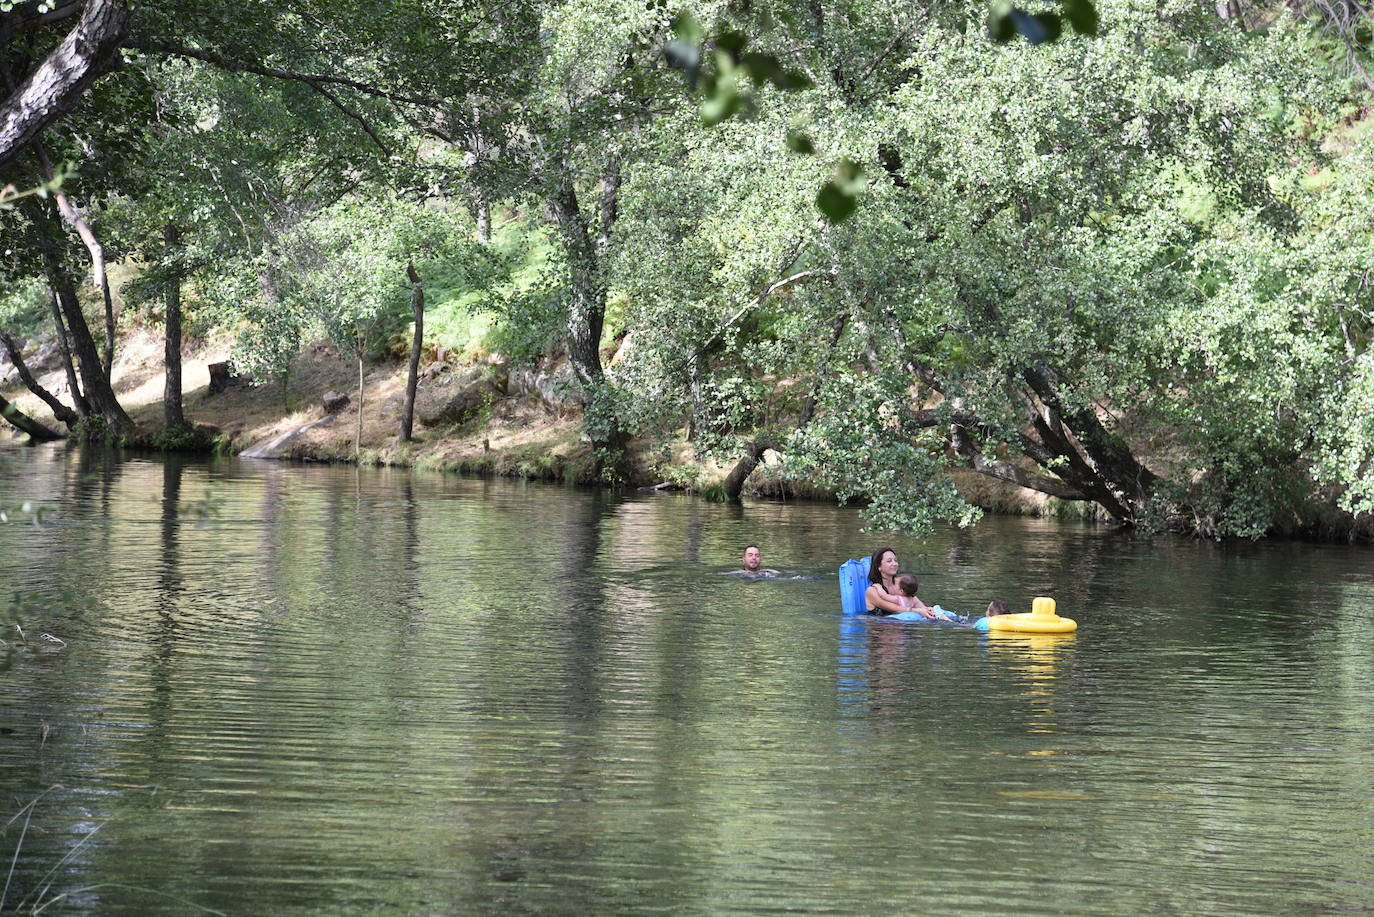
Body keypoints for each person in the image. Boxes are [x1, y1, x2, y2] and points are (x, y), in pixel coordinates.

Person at [865, 547, 936, 618]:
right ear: (879, 566)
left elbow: (914, 601)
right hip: (878, 626)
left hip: (899, 625)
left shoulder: (899, 584)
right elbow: (895, 609)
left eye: (895, 560)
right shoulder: (872, 591)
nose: (895, 564)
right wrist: (918, 611)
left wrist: (926, 609)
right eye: (889, 561)